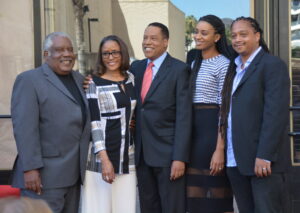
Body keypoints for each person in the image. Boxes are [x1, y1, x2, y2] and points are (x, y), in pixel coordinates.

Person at [10, 32, 91, 213]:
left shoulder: (80, 80)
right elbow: (25, 129)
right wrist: (30, 169)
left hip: (73, 176)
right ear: (46, 54)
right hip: (43, 177)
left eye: (70, 49)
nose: (67, 54)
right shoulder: (29, 80)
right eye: (59, 50)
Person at [219, 17, 290, 213]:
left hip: (263, 162)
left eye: (243, 34)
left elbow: (275, 114)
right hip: (236, 160)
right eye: (233, 35)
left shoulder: (272, 65)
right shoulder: (233, 68)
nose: (237, 39)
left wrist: (264, 155)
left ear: (257, 36)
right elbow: (227, 111)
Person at [130, 22, 192, 213]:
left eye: (153, 38)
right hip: (142, 154)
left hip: (168, 155)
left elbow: (184, 116)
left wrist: (179, 158)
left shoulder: (179, 69)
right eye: (145, 37)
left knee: (172, 208)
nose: (147, 42)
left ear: (165, 42)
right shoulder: (136, 68)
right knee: (148, 207)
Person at [81, 35, 137, 213]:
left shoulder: (131, 79)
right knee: (98, 209)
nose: (110, 57)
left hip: (127, 157)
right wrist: (104, 160)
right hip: (100, 159)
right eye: (106, 53)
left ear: (123, 53)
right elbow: (95, 124)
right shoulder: (93, 84)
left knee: (126, 209)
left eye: (115, 52)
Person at [186, 15, 234, 213]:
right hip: (192, 132)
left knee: (216, 194)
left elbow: (224, 107)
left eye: (204, 33)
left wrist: (219, 148)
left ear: (217, 37)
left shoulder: (223, 64)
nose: (198, 36)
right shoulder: (192, 61)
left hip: (211, 131)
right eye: (196, 31)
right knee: (194, 195)